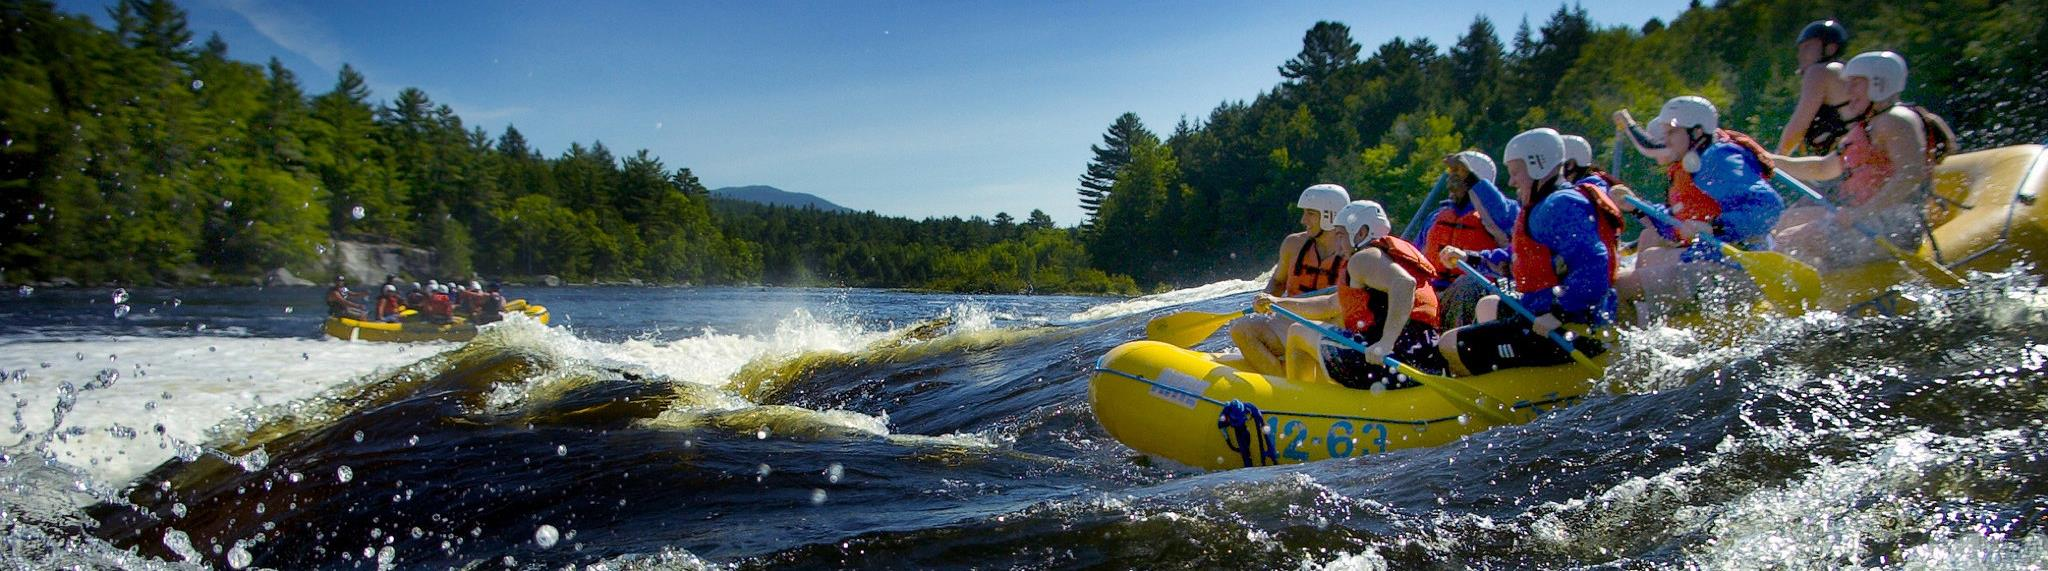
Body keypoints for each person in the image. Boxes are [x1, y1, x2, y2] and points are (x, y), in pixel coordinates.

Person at [1439, 128, 1622, 375]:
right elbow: (1517, 259)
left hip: (1568, 327)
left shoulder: (1559, 205)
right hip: (1545, 314)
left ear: (1538, 165)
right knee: (1488, 305)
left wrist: (1560, 313)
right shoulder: (1546, 204)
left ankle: (1500, 396)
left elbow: (1594, 263)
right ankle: (1508, 376)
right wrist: (1470, 258)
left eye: (1515, 172)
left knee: (1450, 344)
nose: (1512, 181)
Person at [1768, 51, 1955, 271]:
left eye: (1855, 84)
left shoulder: (1896, 120)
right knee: (1782, 222)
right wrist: (1769, 160)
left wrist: (1861, 213)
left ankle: (1806, 292)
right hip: (1869, 220)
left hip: (1894, 226)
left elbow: (1910, 175)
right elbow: (1823, 167)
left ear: (1879, 84)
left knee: (1791, 239)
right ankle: (1821, 283)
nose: (1848, 91)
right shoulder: (1868, 126)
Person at [1609, 96, 1785, 309]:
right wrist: (1636, 207)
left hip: (1734, 269)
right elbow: (1676, 224)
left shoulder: (1718, 158)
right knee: (1647, 259)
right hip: (1711, 261)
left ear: (1697, 132)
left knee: (1619, 288)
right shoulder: (1696, 164)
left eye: (1672, 132)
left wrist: (1715, 226)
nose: (1666, 140)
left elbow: (1768, 206)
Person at [1257, 200, 1445, 389]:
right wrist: (1277, 302)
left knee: (1298, 332)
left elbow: (1404, 284)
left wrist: (1386, 343)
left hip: (1392, 361)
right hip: (1422, 357)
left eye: (1340, 236)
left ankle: (1299, 401)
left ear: (1361, 233)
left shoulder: (1363, 258)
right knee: (1305, 329)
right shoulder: (1382, 258)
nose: (1337, 246)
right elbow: (1330, 304)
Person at [1228, 184, 1355, 375]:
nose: (1304, 220)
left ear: (1330, 216)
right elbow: (1278, 283)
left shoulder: (1354, 253)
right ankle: (1280, 384)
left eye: (1311, 213)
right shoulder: (1293, 244)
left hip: (1330, 325)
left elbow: (1337, 305)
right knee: (1241, 329)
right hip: (1289, 320)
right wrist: (1265, 300)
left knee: (1321, 325)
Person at [1421, 151, 1517, 328]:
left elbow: (1506, 219)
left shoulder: (1499, 215)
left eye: (1457, 179)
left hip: (1475, 295)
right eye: (1450, 178)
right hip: (1433, 294)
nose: (1450, 185)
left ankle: (1457, 344)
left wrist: (1475, 182)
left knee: (1468, 284)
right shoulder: (1436, 217)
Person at [1777, 20, 1856, 156]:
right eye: (1800, 49)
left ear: (1830, 48)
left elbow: (1797, 128)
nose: (1800, 55)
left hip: (1851, 161)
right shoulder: (1843, 71)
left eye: (1807, 47)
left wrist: (1775, 161)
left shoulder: (1820, 71)